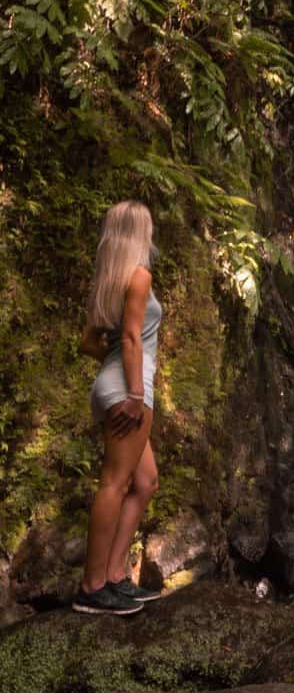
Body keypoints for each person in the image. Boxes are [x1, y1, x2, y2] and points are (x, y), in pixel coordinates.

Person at [74, 200, 163, 615]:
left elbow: (91, 343)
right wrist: (132, 394)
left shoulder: (107, 281)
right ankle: (92, 585)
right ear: (137, 233)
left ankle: (115, 576)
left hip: (114, 382)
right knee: (114, 482)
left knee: (145, 483)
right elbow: (130, 338)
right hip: (130, 387)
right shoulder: (139, 276)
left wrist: (117, 381)